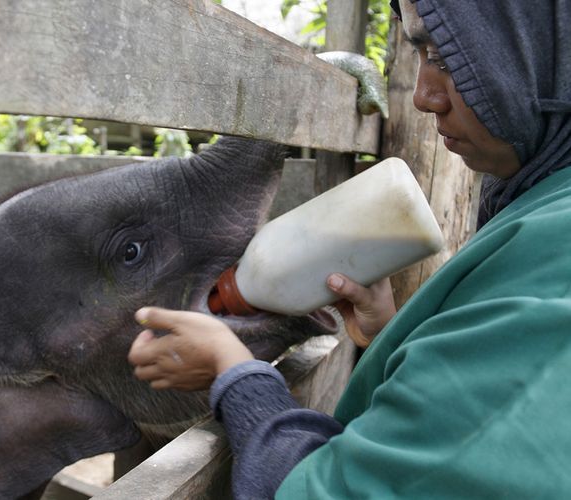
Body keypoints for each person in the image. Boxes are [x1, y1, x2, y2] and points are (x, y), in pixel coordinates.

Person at [128, 0, 571, 497]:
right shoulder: (542, 203)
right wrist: (390, 336)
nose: (423, 97)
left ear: (540, 49)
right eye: (420, 54)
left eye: (447, 58)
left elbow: (338, 490)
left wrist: (233, 371)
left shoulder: (559, 248)